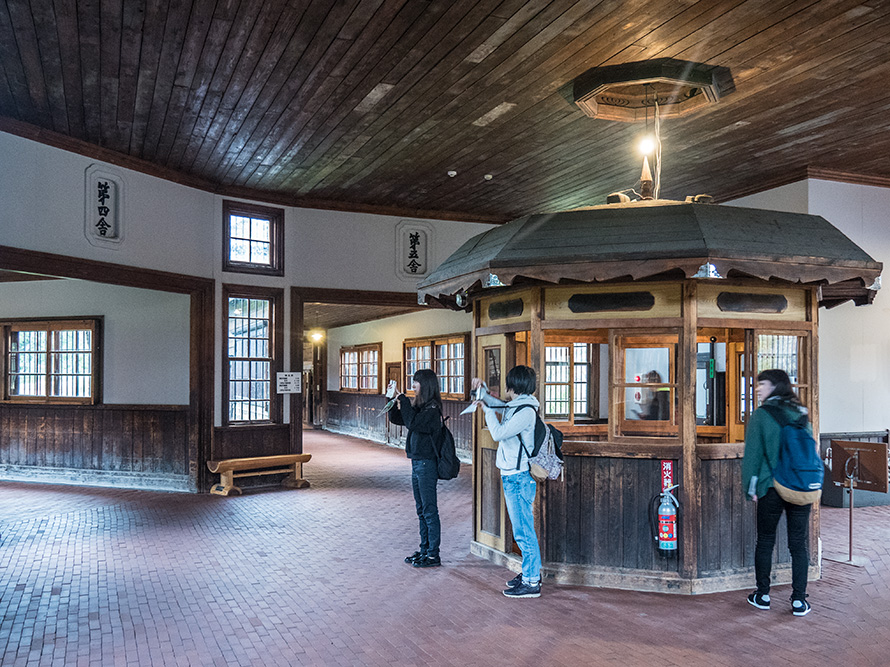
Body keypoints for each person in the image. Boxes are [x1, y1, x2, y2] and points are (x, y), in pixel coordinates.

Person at [741, 369, 813, 616]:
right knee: (798, 544)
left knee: (766, 541)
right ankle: (799, 600)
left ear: (775, 386)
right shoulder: (802, 413)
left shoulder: (761, 415)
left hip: (771, 487)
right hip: (800, 487)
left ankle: (762, 595)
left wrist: (750, 489)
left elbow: (752, 456)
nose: (758, 389)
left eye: (763, 384)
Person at [472, 365, 542, 598]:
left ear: (514, 385)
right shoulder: (518, 405)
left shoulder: (525, 411)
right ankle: (529, 573)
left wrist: (487, 411)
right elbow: (498, 404)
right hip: (512, 474)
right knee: (521, 529)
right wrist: (483, 393)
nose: (505, 386)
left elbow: (499, 433)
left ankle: (532, 582)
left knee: (523, 530)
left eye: (508, 382)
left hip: (519, 476)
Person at [388, 368, 444, 568]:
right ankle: (424, 549)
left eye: (415, 384)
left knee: (429, 510)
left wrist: (402, 398)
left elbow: (412, 422)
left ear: (425, 385)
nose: (413, 387)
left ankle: (433, 554)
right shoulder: (421, 407)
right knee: (421, 509)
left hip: (427, 464)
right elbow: (398, 419)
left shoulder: (432, 409)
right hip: (417, 462)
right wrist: (394, 403)